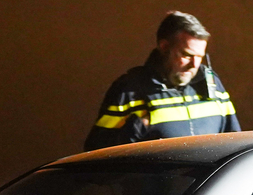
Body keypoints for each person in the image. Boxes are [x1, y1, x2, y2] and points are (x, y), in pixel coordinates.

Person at [83, 11, 241, 151]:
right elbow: (96, 152)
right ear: (164, 47)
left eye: (200, 57)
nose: (194, 65)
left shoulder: (212, 85)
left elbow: (235, 143)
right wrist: (135, 130)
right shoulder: (129, 90)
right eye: (187, 55)